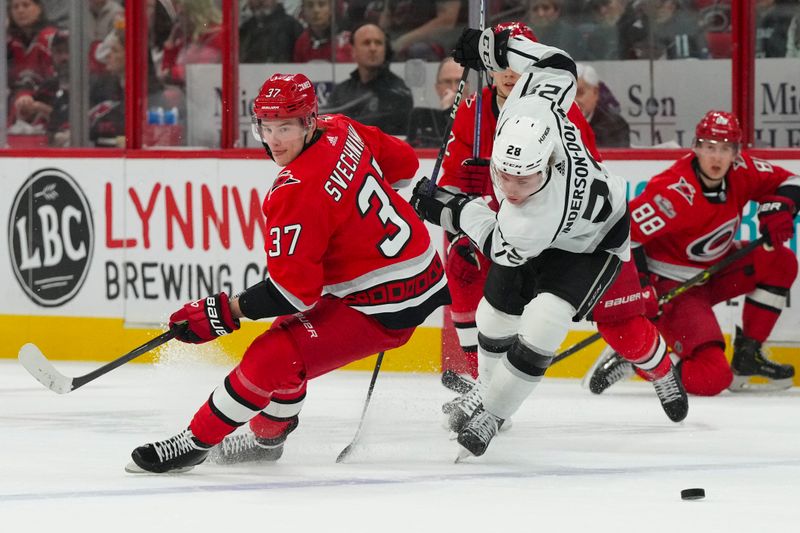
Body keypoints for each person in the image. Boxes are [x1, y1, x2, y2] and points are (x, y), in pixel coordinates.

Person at [126, 73, 450, 474]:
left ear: (309, 122)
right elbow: (402, 166)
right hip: (423, 272)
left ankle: (195, 443)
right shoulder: (341, 127)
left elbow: (294, 293)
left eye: (286, 127)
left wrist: (221, 311)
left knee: (273, 355)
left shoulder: (295, 190)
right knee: (287, 337)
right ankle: (268, 439)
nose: (275, 139)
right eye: (266, 126)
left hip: (382, 305)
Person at [411, 26, 636, 458]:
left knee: (544, 324)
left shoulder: (532, 214)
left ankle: (494, 412)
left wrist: (449, 208)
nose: (512, 189)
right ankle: (485, 389)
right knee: (493, 317)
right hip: (535, 229)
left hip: (592, 242)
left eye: (524, 179)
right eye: (505, 176)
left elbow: (498, 242)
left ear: (546, 165)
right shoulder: (537, 106)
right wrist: (491, 48)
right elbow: (558, 64)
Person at [587, 110, 799, 396]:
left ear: (736, 152)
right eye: (710, 147)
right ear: (696, 147)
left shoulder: (743, 170)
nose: (717, 157)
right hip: (674, 288)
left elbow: (792, 180)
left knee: (781, 262)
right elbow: (625, 235)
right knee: (711, 378)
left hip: (715, 269)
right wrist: (643, 287)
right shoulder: (673, 193)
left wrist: (782, 206)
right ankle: (642, 359)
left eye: (725, 149)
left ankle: (748, 355)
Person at [438, 22, 600, 383]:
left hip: (546, 226)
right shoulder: (470, 110)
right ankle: (477, 375)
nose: (510, 72)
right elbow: (450, 178)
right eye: (500, 62)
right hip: (491, 221)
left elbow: (590, 172)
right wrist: (463, 204)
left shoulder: (562, 112)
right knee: (462, 261)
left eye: (517, 60)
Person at [323, 23, 413, 135]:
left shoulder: (398, 91)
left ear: (385, 50)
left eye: (378, 43)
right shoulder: (341, 91)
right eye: (366, 43)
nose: (373, 48)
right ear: (353, 51)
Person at [6, 0, 58, 132]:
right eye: (15, 7)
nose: (20, 11)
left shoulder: (52, 37)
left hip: (46, 105)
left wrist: (29, 96)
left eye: (26, 5)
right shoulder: (8, 40)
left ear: (39, 8)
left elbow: (56, 80)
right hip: (14, 105)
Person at [405, 57, 467, 148]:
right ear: (437, 88)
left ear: (468, 86)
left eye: (459, 82)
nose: (454, 88)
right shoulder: (423, 120)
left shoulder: (480, 118)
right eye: (447, 82)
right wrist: (445, 112)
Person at [575, 63, 630, 148]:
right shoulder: (553, 121)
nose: (573, 101)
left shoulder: (615, 125)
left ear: (595, 92)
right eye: (568, 94)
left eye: (579, 93)